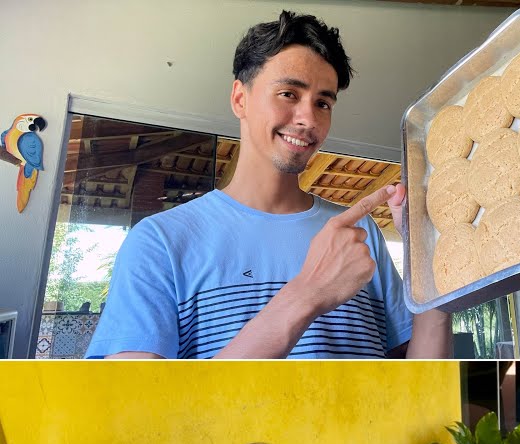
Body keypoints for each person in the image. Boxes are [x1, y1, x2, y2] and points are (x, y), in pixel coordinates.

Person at [89, 11, 449, 359]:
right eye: (289, 94)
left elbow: (421, 377)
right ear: (240, 98)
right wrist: (307, 292)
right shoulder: (160, 242)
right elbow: (139, 408)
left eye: (323, 102)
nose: (309, 119)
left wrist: (428, 250)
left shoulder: (359, 233)